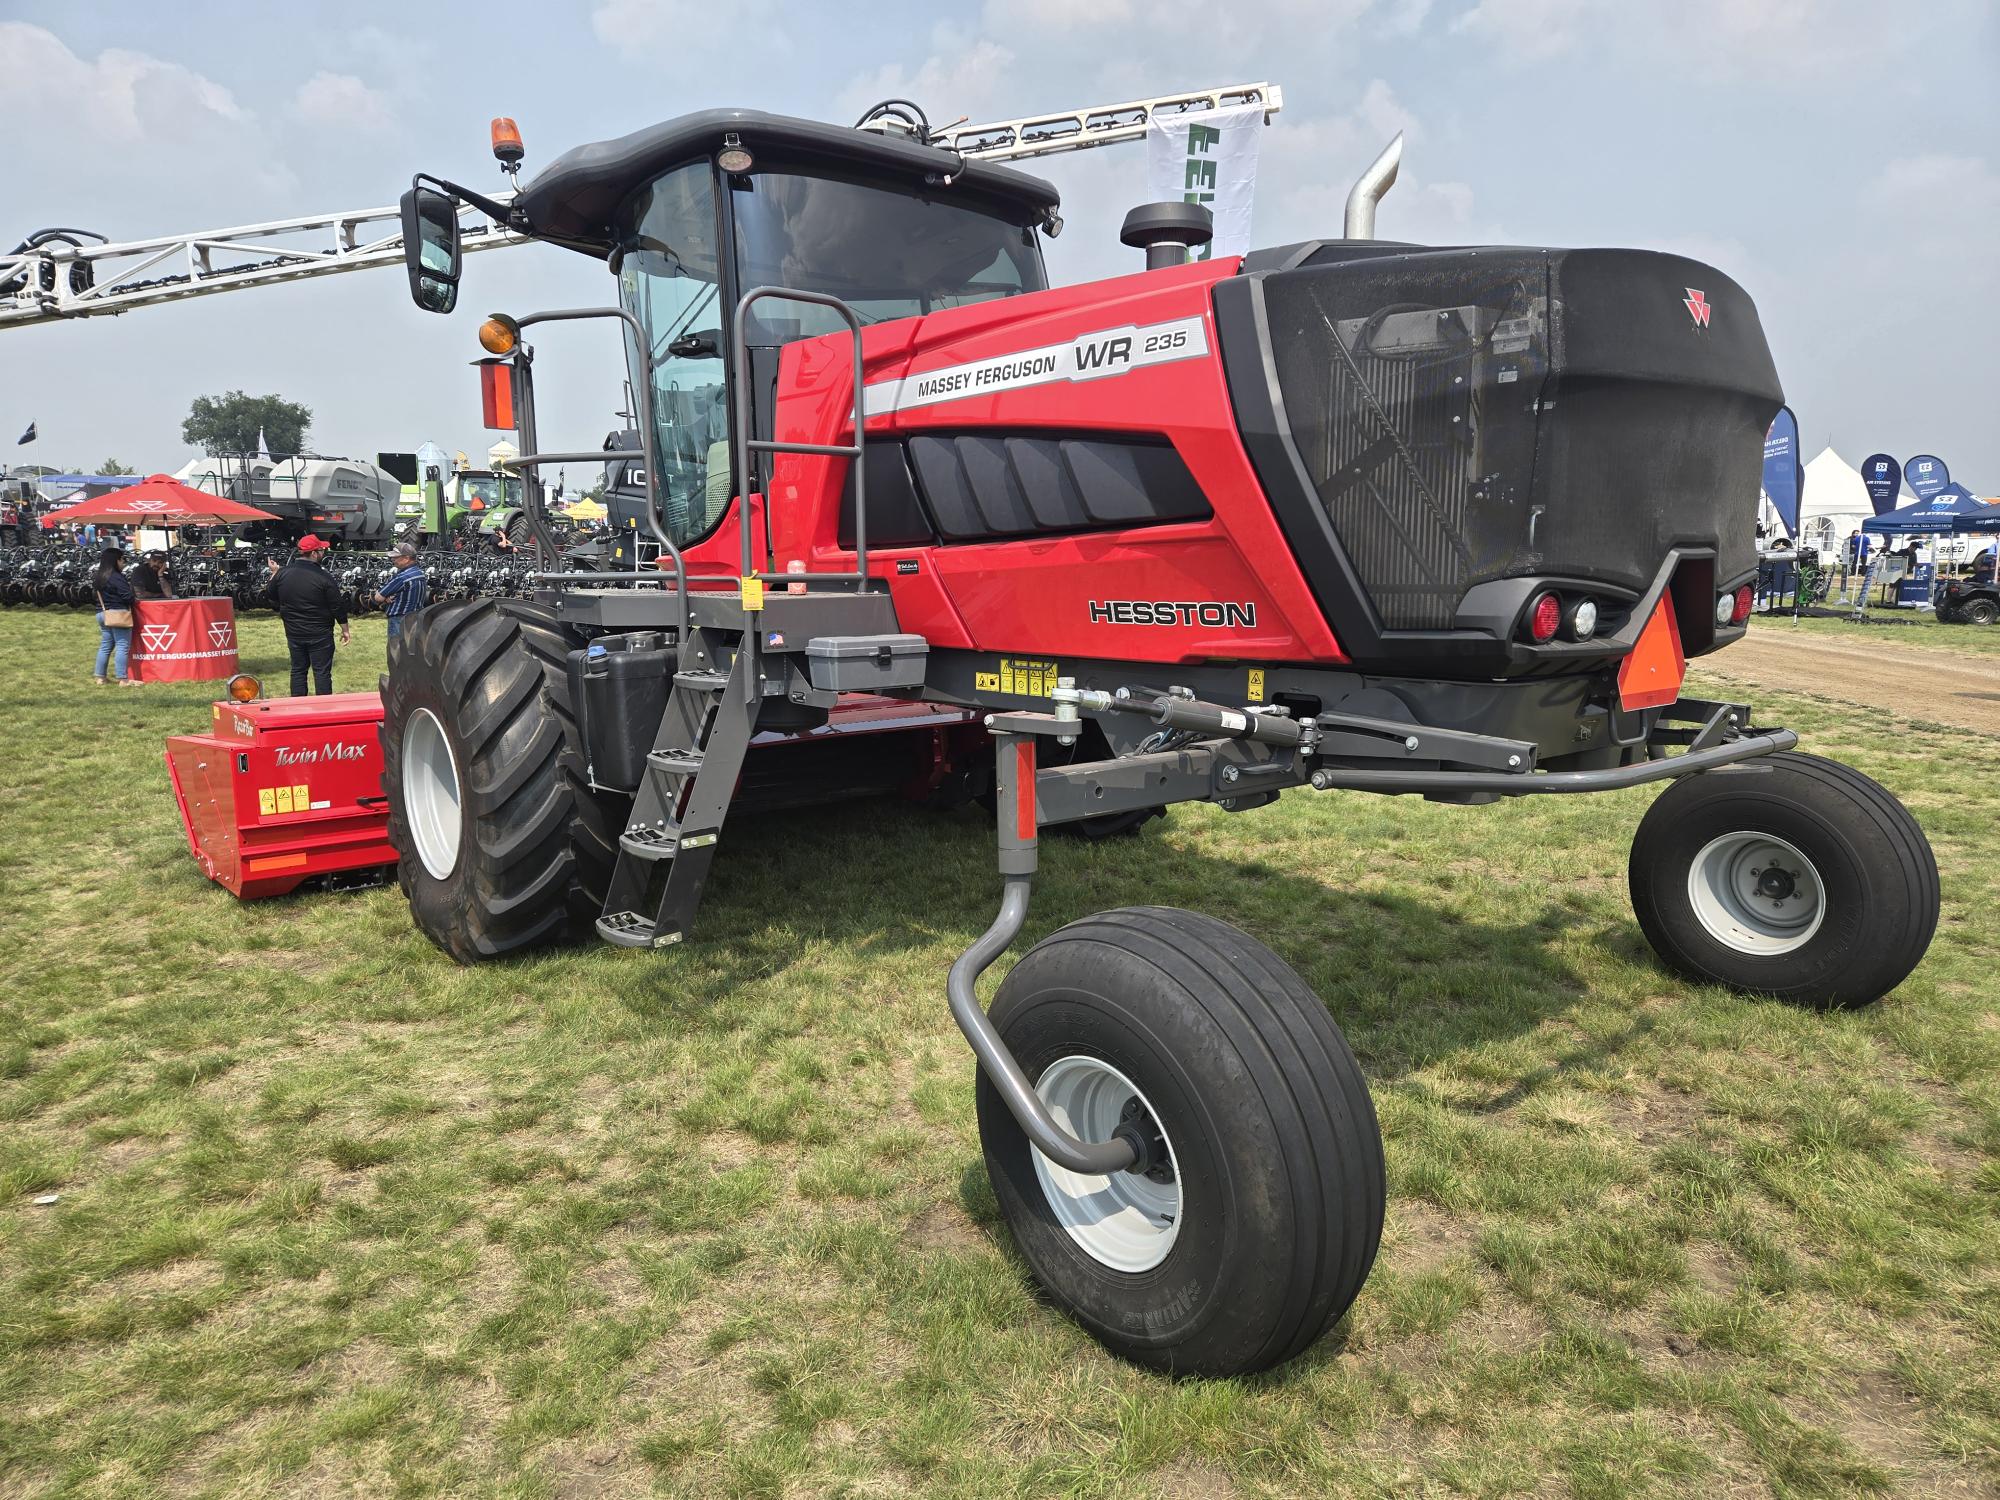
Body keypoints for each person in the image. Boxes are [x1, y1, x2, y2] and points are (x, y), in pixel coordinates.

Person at [264, 535, 350, 695]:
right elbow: (337, 605)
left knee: (298, 670)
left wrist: (274, 573)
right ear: (314, 553)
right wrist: (345, 629)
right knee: (322, 672)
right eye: (322, 550)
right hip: (320, 633)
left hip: (294, 632)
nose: (323, 553)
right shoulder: (324, 577)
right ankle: (323, 706)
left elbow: (270, 594)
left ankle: (298, 705)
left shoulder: (283, 573)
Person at [91, 545, 137, 686]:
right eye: (122, 560)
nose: (123, 563)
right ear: (116, 560)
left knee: (105, 646)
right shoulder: (116, 577)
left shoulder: (98, 576)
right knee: (122, 646)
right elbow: (127, 596)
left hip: (102, 613)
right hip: (118, 614)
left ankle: (100, 677)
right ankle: (123, 679)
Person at [372, 541, 428, 653]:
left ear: (406, 558)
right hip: (415, 617)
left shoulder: (402, 577)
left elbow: (378, 597)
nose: (393, 560)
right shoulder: (419, 574)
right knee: (411, 650)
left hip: (399, 619)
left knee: (396, 651)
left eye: (396, 557)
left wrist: (385, 597)